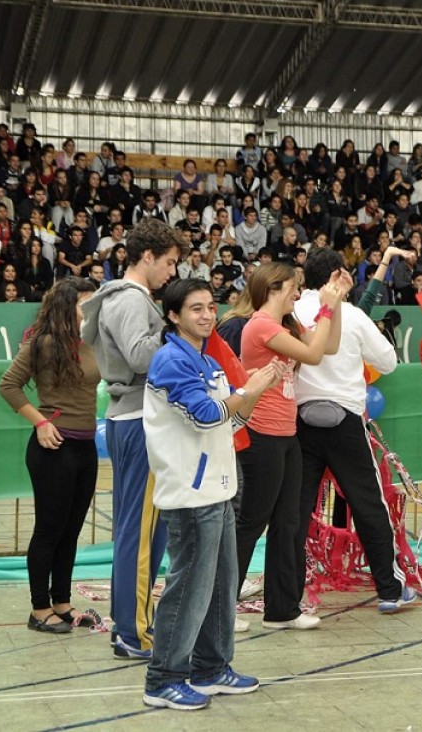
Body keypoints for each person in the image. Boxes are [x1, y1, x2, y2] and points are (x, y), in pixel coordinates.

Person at [142, 278, 285, 710]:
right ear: (173, 316)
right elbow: (206, 416)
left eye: (209, 307)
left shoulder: (208, 360)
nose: (206, 315)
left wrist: (254, 395)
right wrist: (249, 391)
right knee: (189, 587)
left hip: (219, 488)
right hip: (190, 493)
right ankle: (163, 677)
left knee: (222, 584)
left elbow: (229, 424)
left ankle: (211, 668)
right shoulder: (171, 361)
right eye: (195, 309)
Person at [80, 218, 182, 659]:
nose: (172, 273)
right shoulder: (129, 299)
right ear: (147, 256)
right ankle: (135, 631)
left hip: (133, 418)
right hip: (140, 418)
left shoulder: (124, 299)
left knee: (136, 531)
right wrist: (178, 329)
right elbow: (141, 355)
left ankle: (129, 623)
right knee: (141, 535)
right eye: (170, 263)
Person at [293, 248, 415, 615]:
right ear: (336, 276)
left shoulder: (292, 310)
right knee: (368, 505)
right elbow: (389, 363)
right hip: (344, 421)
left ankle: (287, 593)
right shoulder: (353, 316)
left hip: (298, 422)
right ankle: (390, 589)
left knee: (293, 511)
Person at [235, 262, 348, 631]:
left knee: (288, 522)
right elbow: (313, 355)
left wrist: (338, 302)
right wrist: (326, 306)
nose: (298, 295)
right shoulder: (261, 326)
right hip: (261, 437)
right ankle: (219, 606)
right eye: (293, 289)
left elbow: (327, 345)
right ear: (273, 288)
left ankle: (281, 608)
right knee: (251, 523)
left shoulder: (284, 327)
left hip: (286, 436)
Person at [0, 278, 100, 634]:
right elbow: (8, 385)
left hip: (85, 448)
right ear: (66, 306)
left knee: (71, 532)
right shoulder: (43, 343)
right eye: (84, 303)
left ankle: (62, 602)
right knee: (49, 531)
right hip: (54, 449)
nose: (90, 310)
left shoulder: (90, 342)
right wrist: (40, 422)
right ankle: (39, 608)